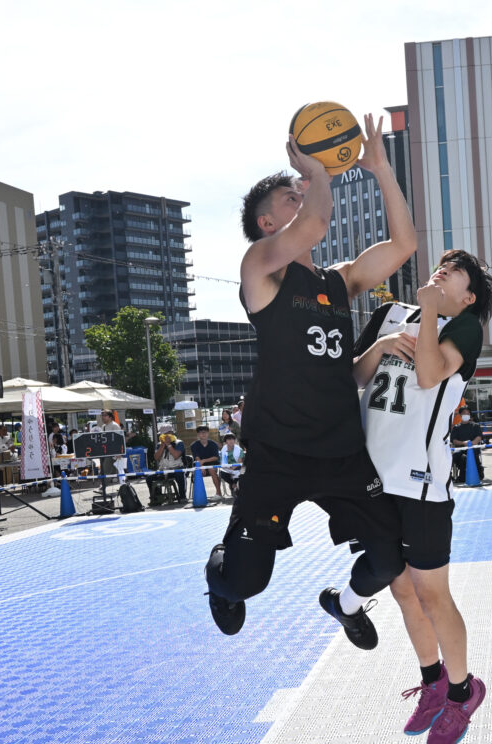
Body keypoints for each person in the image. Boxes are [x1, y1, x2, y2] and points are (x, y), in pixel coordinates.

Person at [203, 112, 417, 645]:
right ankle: (221, 582)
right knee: (245, 583)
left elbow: (404, 244)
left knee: (390, 557)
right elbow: (317, 224)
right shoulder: (260, 270)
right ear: (269, 225)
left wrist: (379, 168)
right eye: (289, 199)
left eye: (301, 193)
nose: (301, 198)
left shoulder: (338, 282)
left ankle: (344, 604)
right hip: (278, 452)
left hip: (341, 452)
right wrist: (318, 172)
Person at [350, 249, 492, 744]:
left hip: (421, 482)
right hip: (375, 479)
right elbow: (352, 377)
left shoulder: (466, 325)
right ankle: (433, 680)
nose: (443, 271)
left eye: (455, 271)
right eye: (442, 264)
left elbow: (431, 375)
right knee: (403, 593)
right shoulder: (390, 316)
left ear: (468, 294)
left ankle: (463, 691)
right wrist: (387, 341)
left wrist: (432, 309)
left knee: (432, 593)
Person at [148, 424, 187, 502]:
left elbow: (176, 456)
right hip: (163, 469)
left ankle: (182, 496)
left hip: (176, 468)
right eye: (162, 434)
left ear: (171, 433)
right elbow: (156, 458)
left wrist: (169, 445)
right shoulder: (159, 445)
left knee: (180, 475)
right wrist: (162, 445)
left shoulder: (179, 443)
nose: (164, 436)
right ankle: (157, 497)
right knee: (149, 478)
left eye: (166, 434)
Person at [451, 409, 486, 483]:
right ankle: (462, 476)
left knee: (472, 454)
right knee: (461, 457)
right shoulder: (456, 428)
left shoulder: (475, 426)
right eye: (464, 413)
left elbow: (479, 437)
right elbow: (454, 440)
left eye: (468, 413)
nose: (466, 415)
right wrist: (463, 443)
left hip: (473, 448)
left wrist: (472, 443)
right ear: (460, 415)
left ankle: (478, 472)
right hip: (460, 449)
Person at [189, 425, 223, 498]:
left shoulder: (213, 444)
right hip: (199, 465)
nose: (203, 434)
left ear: (208, 433)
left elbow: (215, 457)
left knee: (211, 469)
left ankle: (218, 493)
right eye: (201, 432)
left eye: (205, 432)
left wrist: (204, 461)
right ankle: (198, 496)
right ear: (198, 434)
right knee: (198, 472)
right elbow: (196, 457)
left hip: (212, 464)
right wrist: (201, 466)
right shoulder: (194, 445)